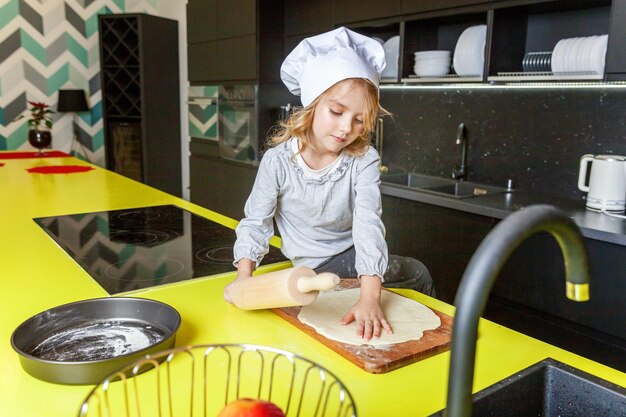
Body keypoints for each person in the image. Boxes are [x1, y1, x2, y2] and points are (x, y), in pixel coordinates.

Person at [224, 27, 435, 341]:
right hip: (315, 267)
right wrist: (244, 278)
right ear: (311, 105)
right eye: (336, 111)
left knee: (403, 276)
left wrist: (369, 297)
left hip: (355, 256)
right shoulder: (279, 161)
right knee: (417, 272)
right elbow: (256, 223)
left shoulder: (363, 159)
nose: (346, 127)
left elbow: (367, 224)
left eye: (360, 119)